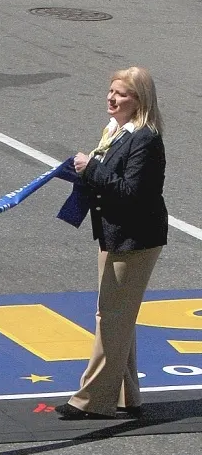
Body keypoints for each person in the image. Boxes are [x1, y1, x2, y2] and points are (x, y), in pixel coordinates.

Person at [56, 67, 167, 420]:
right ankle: (125, 394)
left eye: (121, 94)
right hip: (114, 234)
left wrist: (91, 168)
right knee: (120, 316)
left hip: (134, 240)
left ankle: (91, 400)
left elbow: (133, 192)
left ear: (139, 100)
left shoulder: (145, 140)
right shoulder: (116, 131)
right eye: (111, 91)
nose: (111, 98)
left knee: (111, 318)